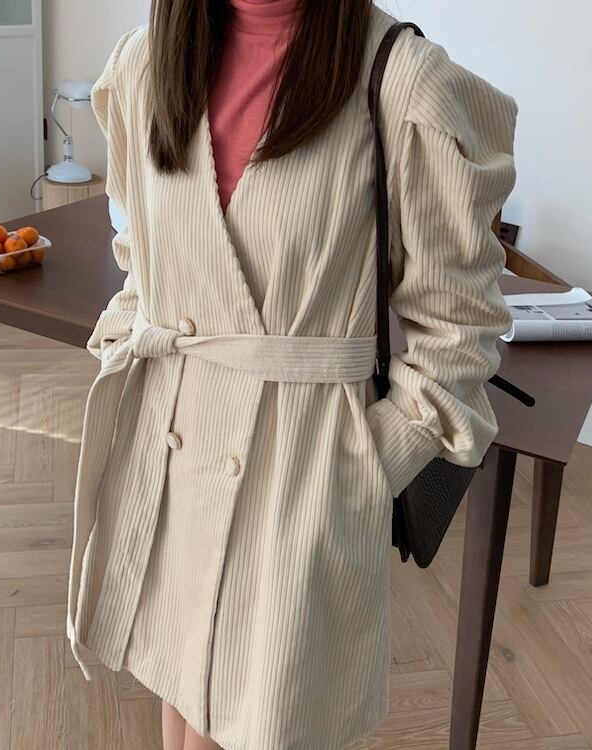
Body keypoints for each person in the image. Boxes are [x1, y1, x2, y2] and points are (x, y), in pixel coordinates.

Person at [67, 1, 518, 748]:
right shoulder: (146, 64)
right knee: (178, 694)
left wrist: (361, 466)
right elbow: (145, 257)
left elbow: (459, 332)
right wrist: (128, 336)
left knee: (262, 716)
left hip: (299, 472)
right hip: (169, 448)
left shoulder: (403, 82)